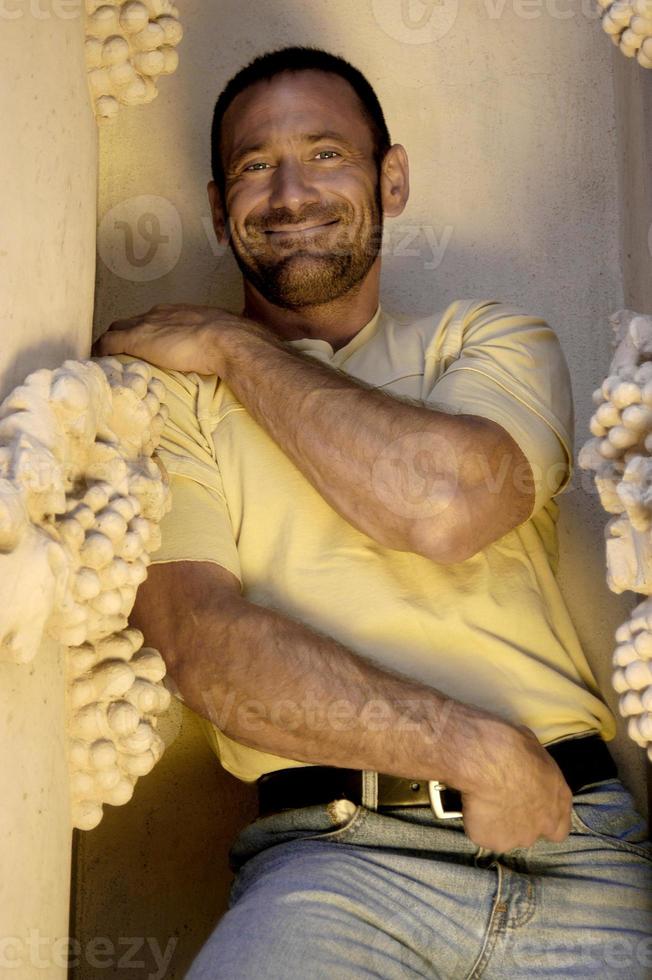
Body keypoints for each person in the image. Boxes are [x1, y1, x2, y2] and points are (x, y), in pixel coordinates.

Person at [97, 46, 652, 980]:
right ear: (215, 206)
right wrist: (463, 746)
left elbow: (442, 506)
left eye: (325, 153)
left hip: (579, 844)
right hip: (330, 870)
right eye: (254, 166)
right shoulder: (162, 400)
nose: (290, 192)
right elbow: (209, 653)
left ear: (390, 179)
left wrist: (234, 347)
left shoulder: (487, 339)